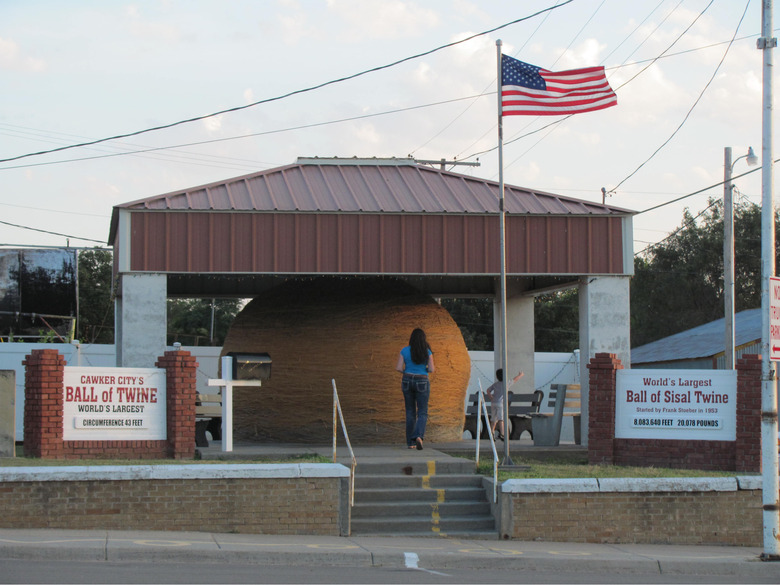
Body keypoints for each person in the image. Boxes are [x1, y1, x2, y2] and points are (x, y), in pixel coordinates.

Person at [395, 328, 435, 450]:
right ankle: (418, 436)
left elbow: (398, 368)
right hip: (422, 380)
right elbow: (432, 369)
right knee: (422, 411)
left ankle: (410, 443)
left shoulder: (404, 350)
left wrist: (407, 371)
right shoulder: (427, 352)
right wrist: (424, 369)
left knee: (410, 412)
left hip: (407, 379)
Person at [484, 369, 524, 441]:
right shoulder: (506, 383)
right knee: (501, 419)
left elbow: (488, 390)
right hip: (500, 403)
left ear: (497, 376)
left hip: (493, 403)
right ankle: (502, 434)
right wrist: (520, 375)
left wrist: (491, 397)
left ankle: (491, 433)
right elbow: (515, 380)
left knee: (493, 419)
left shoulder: (496, 384)